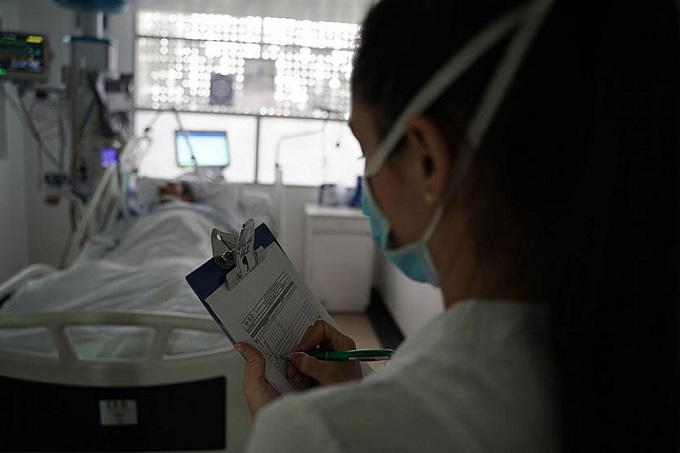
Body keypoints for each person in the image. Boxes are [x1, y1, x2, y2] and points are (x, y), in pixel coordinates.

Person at [235, 0, 680, 451]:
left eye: (365, 150)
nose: (367, 179)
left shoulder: (316, 434)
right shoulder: (637, 363)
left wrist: (308, 427)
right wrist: (359, 393)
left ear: (427, 160)